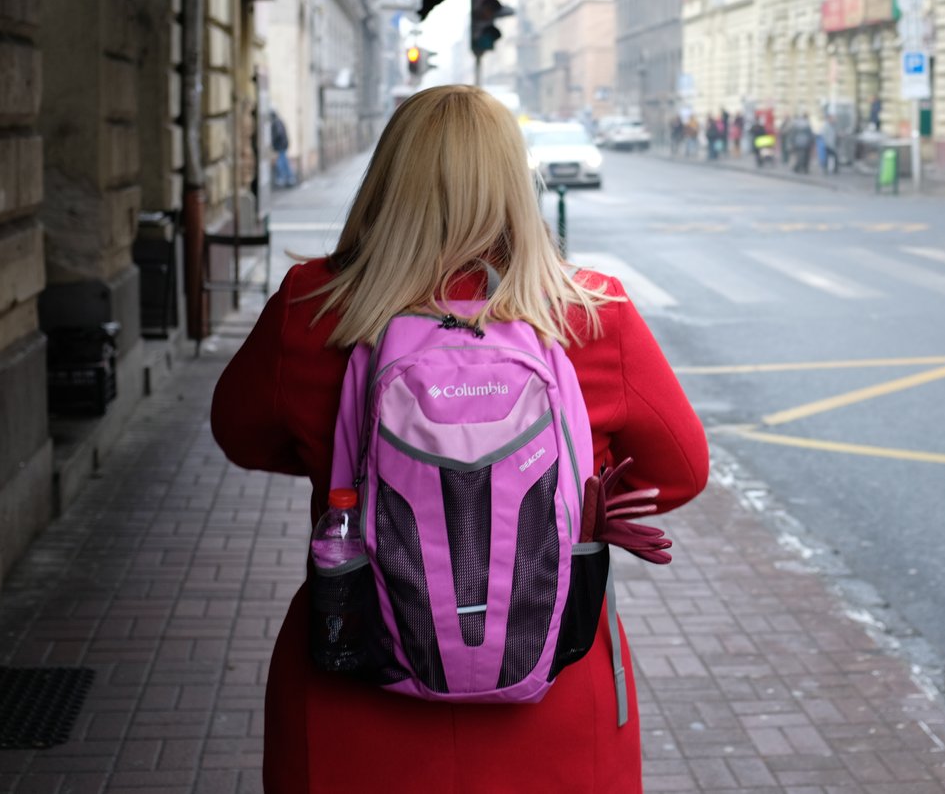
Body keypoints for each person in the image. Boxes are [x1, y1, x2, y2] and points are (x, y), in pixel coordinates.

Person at [211, 85, 709, 793]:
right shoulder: (589, 315)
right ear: (516, 184)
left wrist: (351, 461)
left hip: (353, 690)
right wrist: (573, 491)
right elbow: (683, 471)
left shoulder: (312, 307)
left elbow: (239, 435)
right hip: (557, 703)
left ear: (387, 180)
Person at [269, 108, 293, 188]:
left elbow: (278, 134)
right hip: (283, 144)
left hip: (280, 145)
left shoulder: (276, 122)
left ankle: (283, 178)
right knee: (284, 161)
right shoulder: (279, 121)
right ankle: (289, 178)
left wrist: (272, 142)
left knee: (281, 162)